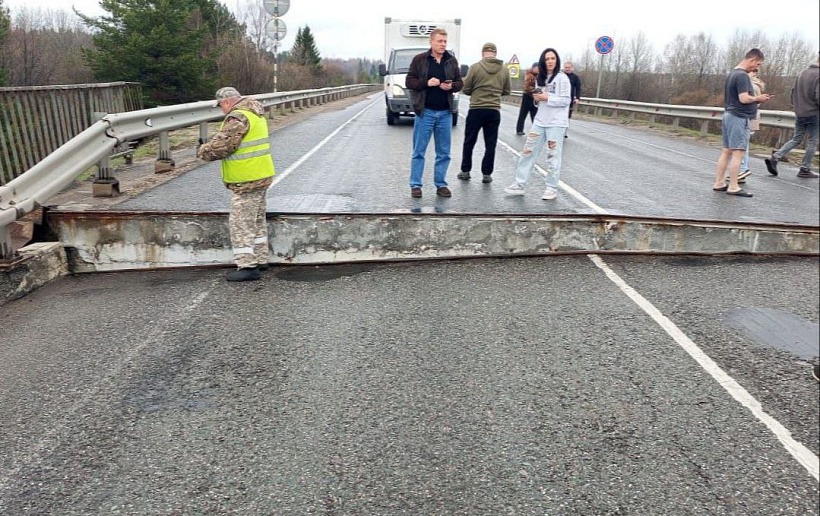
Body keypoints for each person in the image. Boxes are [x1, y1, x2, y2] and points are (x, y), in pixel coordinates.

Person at [197, 87, 275, 282]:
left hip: (246, 179)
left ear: (226, 102)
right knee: (256, 220)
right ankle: (261, 259)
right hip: (261, 174)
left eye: (220, 106)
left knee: (240, 223)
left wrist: (203, 150)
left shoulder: (237, 117)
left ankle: (247, 266)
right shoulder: (255, 113)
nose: (221, 110)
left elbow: (223, 147)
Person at [504, 48, 572, 200]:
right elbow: (538, 102)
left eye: (552, 58)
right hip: (540, 121)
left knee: (553, 155)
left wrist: (548, 98)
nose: (550, 61)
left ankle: (551, 187)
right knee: (528, 151)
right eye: (547, 59)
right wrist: (537, 98)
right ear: (543, 61)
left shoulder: (562, 78)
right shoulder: (540, 78)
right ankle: (519, 183)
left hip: (556, 123)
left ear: (557, 60)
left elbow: (566, 100)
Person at [405, 27, 464, 198]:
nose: (443, 44)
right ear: (431, 42)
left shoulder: (451, 61)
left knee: (444, 152)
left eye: (445, 41)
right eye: (439, 41)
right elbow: (409, 81)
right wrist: (426, 82)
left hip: (445, 113)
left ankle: (441, 184)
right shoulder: (420, 60)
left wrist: (451, 86)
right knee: (419, 151)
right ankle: (416, 185)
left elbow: (460, 83)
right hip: (425, 112)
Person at [711, 48, 771, 198]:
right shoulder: (743, 76)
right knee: (738, 152)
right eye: (758, 64)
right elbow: (744, 98)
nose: (757, 68)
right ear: (752, 60)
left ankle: (719, 182)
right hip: (739, 117)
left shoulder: (732, 74)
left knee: (726, 151)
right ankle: (733, 186)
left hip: (729, 115)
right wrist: (758, 98)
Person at [457, 42, 512, 184]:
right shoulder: (504, 70)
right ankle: (487, 174)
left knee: (469, 141)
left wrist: (477, 92)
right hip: (493, 110)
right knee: (490, 143)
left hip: (476, 108)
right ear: (495, 53)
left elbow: (466, 89)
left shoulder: (475, 67)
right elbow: (507, 90)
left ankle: (465, 171)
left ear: (483, 53)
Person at [765, 53, 819, 179]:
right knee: (812, 141)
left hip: (800, 113)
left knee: (796, 138)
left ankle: (776, 157)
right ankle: (805, 169)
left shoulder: (802, 73)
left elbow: (793, 92)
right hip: (814, 114)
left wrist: (796, 107)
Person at [735, 68, 765, 183]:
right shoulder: (754, 85)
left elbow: (749, 101)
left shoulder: (752, 86)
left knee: (742, 144)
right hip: (751, 116)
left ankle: (743, 169)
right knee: (743, 144)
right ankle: (741, 170)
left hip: (749, 116)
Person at [516, 63, 539, 135]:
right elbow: (527, 87)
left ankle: (536, 130)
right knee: (523, 113)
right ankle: (519, 129)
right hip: (527, 96)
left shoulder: (537, 76)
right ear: (533, 68)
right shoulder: (529, 75)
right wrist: (535, 91)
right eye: (537, 68)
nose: (538, 70)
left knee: (534, 114)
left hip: (534, 97)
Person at [563, 61, 582, 138]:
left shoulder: (575, 77)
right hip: (560, 99)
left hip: (569, 100)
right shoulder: (560, 76)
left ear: (572, 68)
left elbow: (578, 88)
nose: (567, 69)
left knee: (567, 116)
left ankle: (565, 132)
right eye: (566, 67)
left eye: (569, 67)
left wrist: (577, 98)